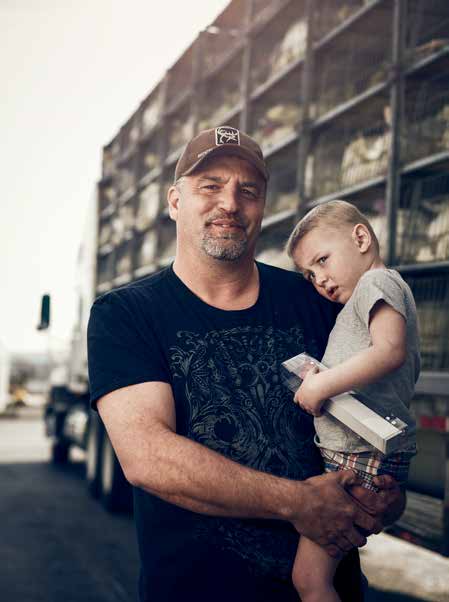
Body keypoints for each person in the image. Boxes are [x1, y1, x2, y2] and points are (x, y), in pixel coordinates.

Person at [87, 126, 405, 602]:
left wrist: (384, 495)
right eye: (210, 185)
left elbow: (375, 409)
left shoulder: (317, 301)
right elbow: (147, 456)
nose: (230, 203)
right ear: (175, 202)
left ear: (262, 207)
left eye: (247, 190)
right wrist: (298, 503)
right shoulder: (127, 314)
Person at [286, 200, 419, 602]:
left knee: (310, 581)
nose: (319, 279)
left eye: (323, 261)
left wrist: (320, 387)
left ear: (361, 238)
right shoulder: (369, 294)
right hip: (358, 451)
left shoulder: (376, 285)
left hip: (358, 453)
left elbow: (389, 352)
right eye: (310, 274)